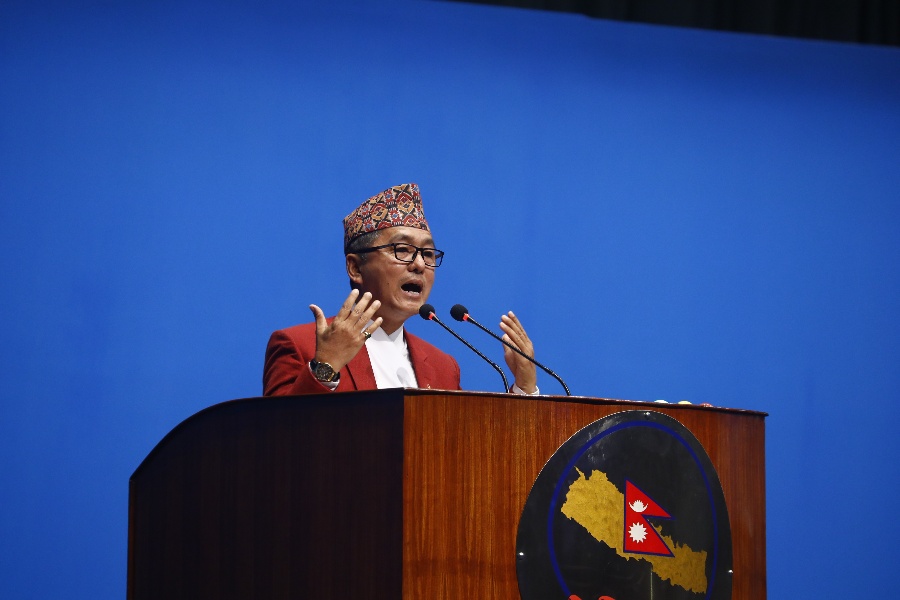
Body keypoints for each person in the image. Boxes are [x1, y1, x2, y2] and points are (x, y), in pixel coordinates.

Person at [263, 183, 538, 396]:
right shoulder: (299, 345)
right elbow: (276, 441)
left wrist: (524, 387)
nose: (419, 264)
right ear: (355, 267)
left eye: (428, 254)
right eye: (402, 250)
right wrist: (326, 366)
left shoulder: (443, 367)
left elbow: (467, 447)